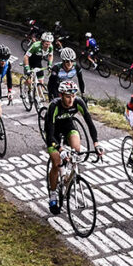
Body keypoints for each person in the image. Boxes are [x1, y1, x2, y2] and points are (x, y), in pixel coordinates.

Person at [43, 80, 102, 214]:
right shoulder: (54, 106)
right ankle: (53, 194)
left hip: (68, 126)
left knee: (77, 149)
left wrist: (96, 143)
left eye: (73, 96)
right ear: (61, 95)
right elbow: (50, 134)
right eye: (68, 96)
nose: (71, 100)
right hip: (53, 134)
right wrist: (60, 149)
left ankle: (69, 175)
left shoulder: (78, 102)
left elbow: (90, 123)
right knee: (56, 162)